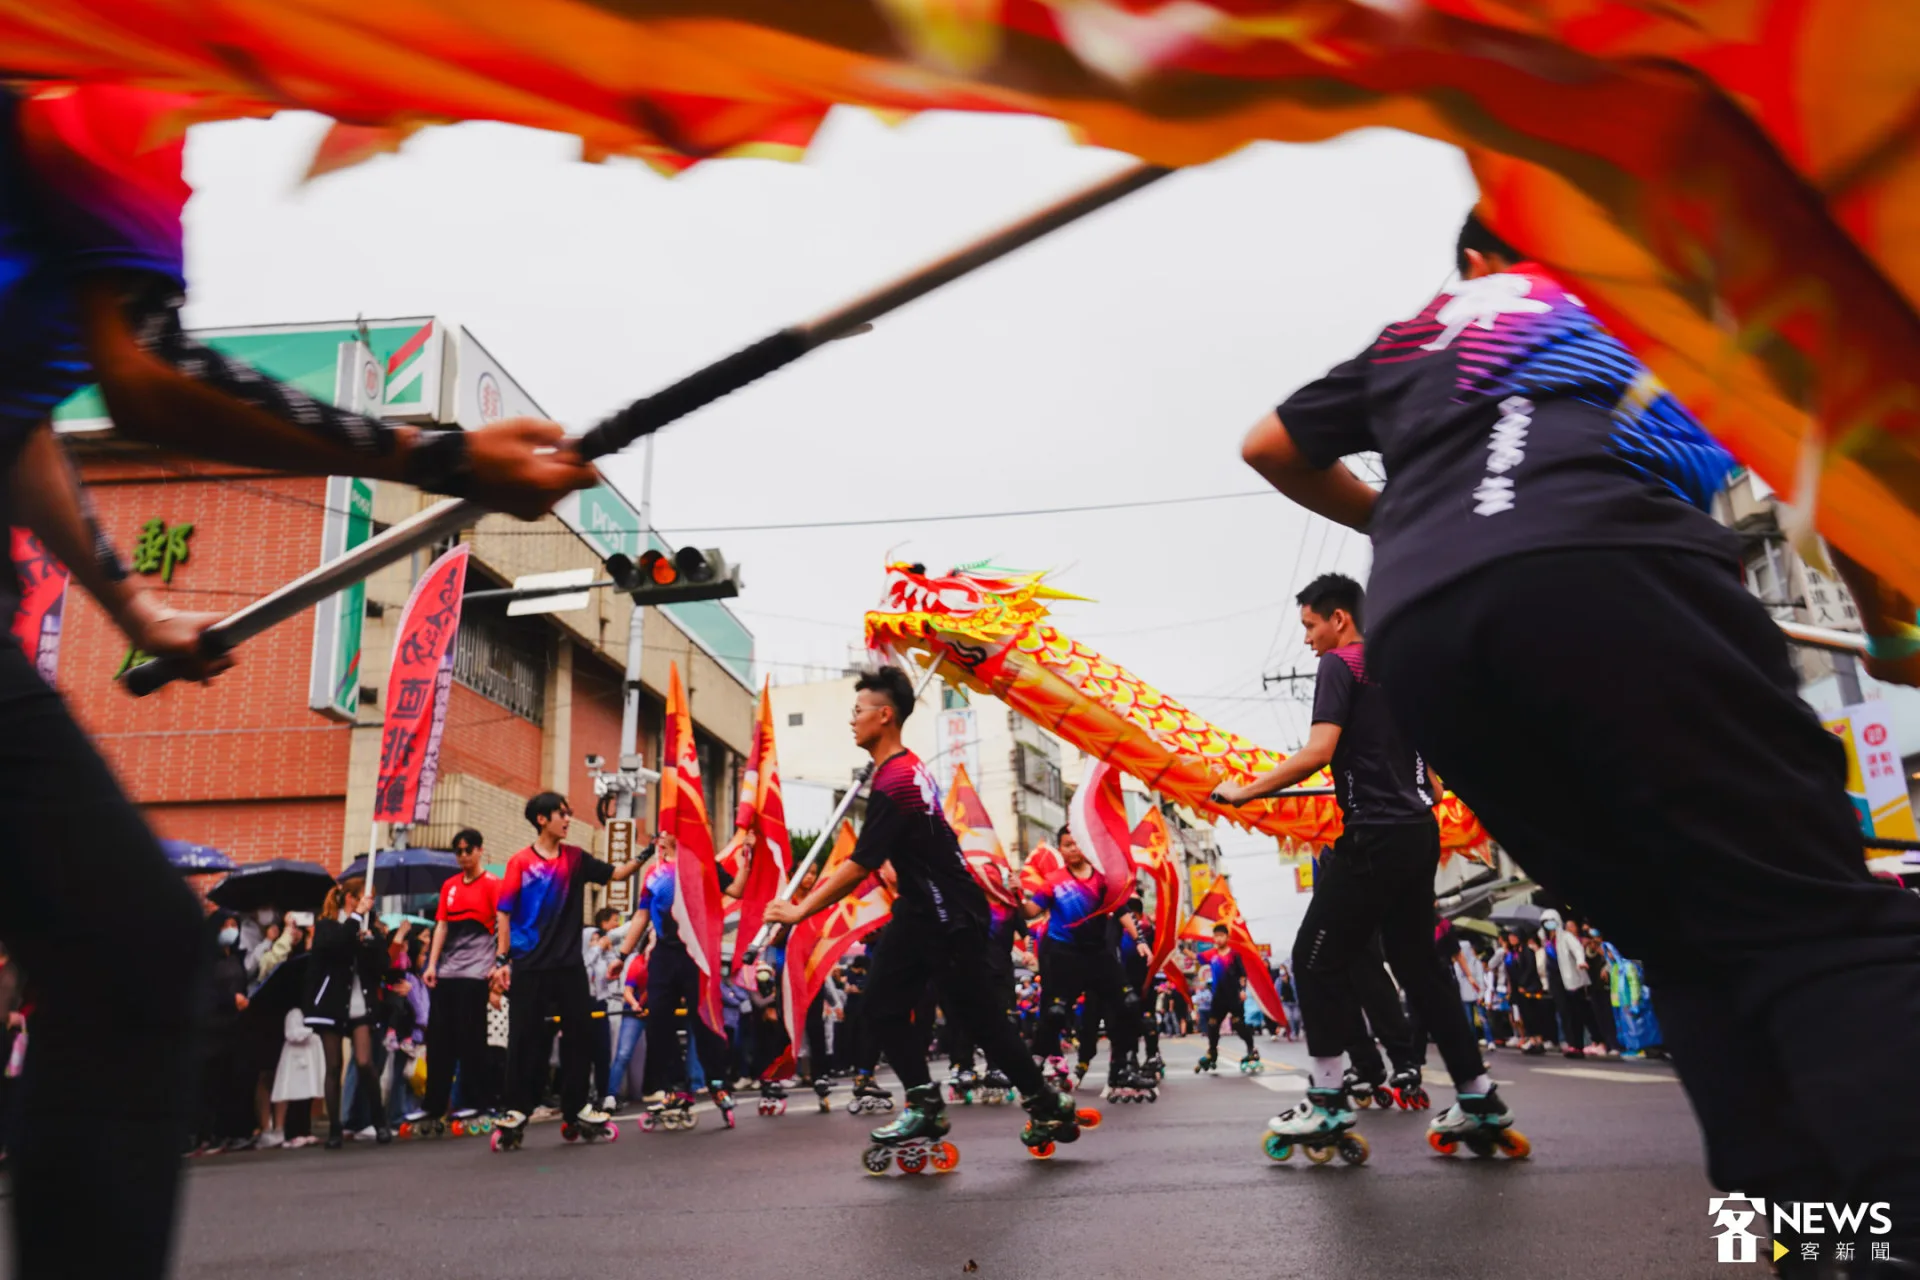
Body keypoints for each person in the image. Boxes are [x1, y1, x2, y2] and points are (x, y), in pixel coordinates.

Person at [0, 82, 597, 1277]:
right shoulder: (87, 86)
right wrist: (434, 450)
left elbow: (14, 426)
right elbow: (149, 375)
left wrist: (129, 600)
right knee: (136, 959)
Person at [1245, 211, 1920, 1235]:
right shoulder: (1663, 311)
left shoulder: (1426, 325)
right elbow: (1843, 459)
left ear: (1476, 259)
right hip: (1615, 565)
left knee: (1682, 939)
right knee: (1812, 913)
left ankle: (1803, 1226)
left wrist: (1417, 524)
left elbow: (1272, 445)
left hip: (1429, 618)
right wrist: (1894, 633)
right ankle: (1890, 1220)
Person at [1214, 573, 1507, 1154]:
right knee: (1416, 963)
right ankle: (1478, 1094)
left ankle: (1325, 1101)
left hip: (1374, 834)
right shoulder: (1403, 667)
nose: (1307, 640)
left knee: (1314, 958)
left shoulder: (1340, 665)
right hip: (1420, 832)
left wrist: (1248, 791)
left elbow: (1319, 751)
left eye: (1309, 625)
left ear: (1338, 618)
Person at [765, 666, 1083, 1159]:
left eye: (858, 711)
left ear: (884, 715)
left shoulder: (898, 782)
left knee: (965, 1018)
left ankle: (1021, 1101)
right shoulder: (899, 771)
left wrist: (799, 909)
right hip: (926, 910)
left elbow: (858, 865)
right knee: (899, 1009)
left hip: (946, 917)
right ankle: (984, 1102)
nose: (852, 721)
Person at [492, 793, 642, 1146]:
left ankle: (576, 1108)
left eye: (568, 813)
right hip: (529, 965)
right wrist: (501, 960)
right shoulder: (520, 863)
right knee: (525, 1039)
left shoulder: (575, 859)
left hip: (569, 967)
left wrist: (648, 854)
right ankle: (516, 1108)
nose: (567, 819)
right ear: (542, 819)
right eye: (562, 813)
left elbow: (616, 873)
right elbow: (504, 912)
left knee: (581, 1036)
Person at [620, 827, 752, 1126]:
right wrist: (621, 955)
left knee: (704, 1020)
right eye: (662, 830)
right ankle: (675, 1088)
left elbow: (736, 890)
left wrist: (748, 857)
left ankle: (716, 1082)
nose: (664, 835)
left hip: (696, 954)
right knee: (658, 1024)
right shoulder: (654, 872)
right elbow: (641, 915)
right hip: (663, 957)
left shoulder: (704, 867)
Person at [1022, 826, 1147, 1095]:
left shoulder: (1102, 879)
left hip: (1098, 954)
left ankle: (1122, 1069)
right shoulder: (1053, 881)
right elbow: (1030, 911)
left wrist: (1140, 941)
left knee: (1129, 1004)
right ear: (1061, 849)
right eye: (1067, 845)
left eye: (1077, 844)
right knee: (1054, 1014)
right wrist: (1013, 895)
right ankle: (1033, 1067)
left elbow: (1121, 909)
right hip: (1065, 955)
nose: (1073, 849)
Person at [415, 828, 497, 1135]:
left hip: (476, 974)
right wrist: (431, 964)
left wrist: (499, 963)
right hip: (447, 973)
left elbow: (503, 926)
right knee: (439, 1041)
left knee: (472, 1039)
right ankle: (434, 1104)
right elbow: (441, 928)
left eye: (468, 850)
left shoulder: (492, 886)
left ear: (479, 850)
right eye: (458, 851)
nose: (463, 856)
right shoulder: (449, 886)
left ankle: (480, 1100)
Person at [303, 882, 393, 1147]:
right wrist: (355, 920)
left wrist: (374, 942)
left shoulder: (368, 925)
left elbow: (383, 965)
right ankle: (334, 1128)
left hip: (359, 1000)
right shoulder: (328, 924)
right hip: (332, 1000)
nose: (370, 903)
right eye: (366, 898)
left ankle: (380, 1122)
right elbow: (334, 946)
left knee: (365, 1062)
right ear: (351, 898)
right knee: (333, 1066)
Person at [1191, 925, 1256, 1072]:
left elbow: (1242, 975)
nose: (1219, 939)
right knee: (1212, 1026)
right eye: (1216, 936)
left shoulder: (1234, 955)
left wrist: (1242, 991)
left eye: (1222, 936)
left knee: (1238, 1024)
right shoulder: (1212, 954)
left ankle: (1251, 1049)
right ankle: (1212, 1052)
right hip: (1218, 998)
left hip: (1234, 996)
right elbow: (1195, 957)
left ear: (1227, 937)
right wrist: (1181, 948)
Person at [582, 907, 625, 1108]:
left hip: (601, 1002)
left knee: (603, 1052)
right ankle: (583, 1095)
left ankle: (604, 1094)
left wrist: (608, 953)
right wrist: (597, 948)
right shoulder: (584, 956)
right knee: (584, 1053)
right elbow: (585, 964)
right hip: (583, 1004)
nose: (596, 942)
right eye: (592, 939)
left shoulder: (600, 956)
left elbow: (611, 973)